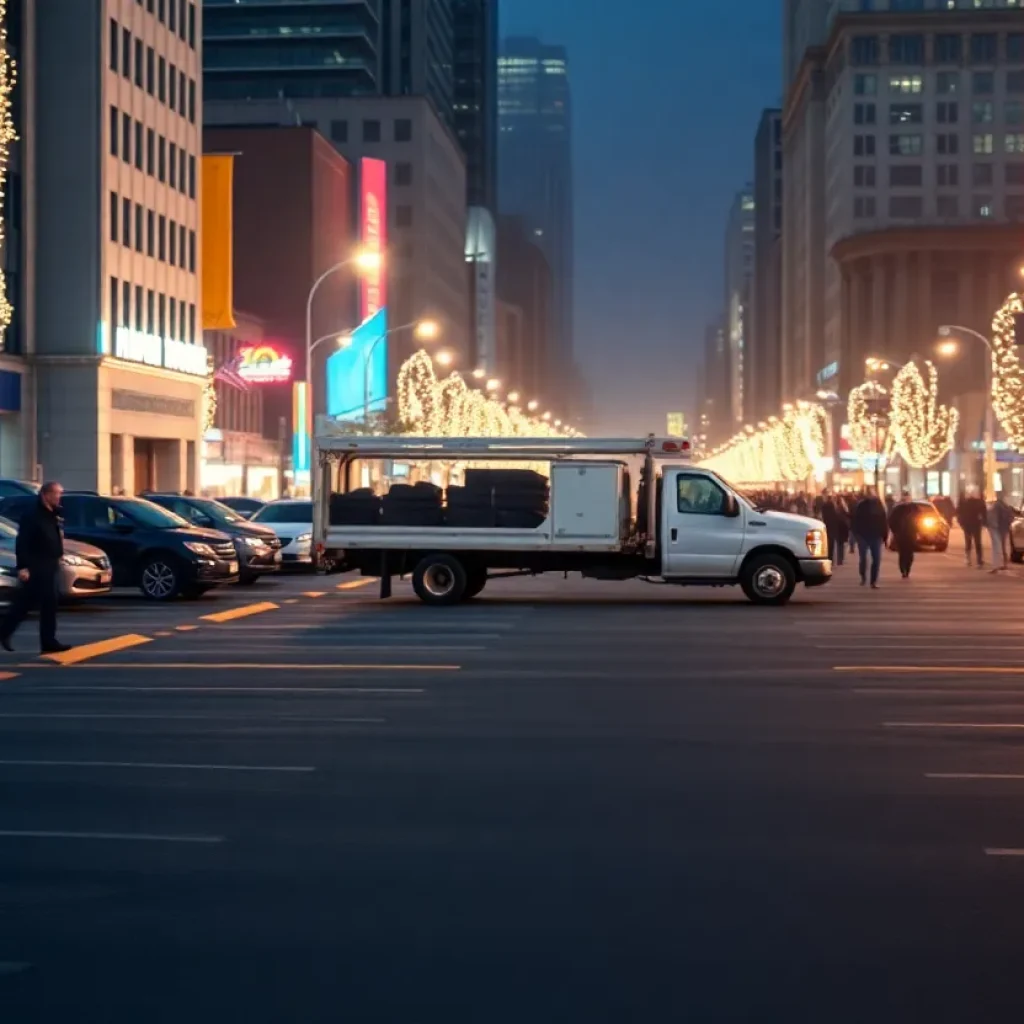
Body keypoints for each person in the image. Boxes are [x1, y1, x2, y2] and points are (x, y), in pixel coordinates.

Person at [0, 481, 71, 654]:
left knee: (36, 603)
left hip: (50, 564)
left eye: (60, 493)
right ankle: (47, 642)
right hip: (37, 565)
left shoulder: (52, 514)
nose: (59, 497)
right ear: (45, 495)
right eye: (56, 493)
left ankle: (44, 641)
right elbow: (22, 542)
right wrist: (23, 567)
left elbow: (56, 536)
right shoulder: (33, 515)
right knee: (35, 603)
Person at [852, 488, 889, 589]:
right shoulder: (861, 505)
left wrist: (885, 536)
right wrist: (856, 533)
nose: (870, 495)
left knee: (876, 559)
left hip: (876, 535)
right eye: (869, 493)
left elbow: (883, 521)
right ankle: (863, 576)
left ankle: (873, 581)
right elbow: (855, 520)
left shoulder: (879, 505)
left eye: (872, 493)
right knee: (863, 558)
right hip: (863, 535)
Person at [888, 491, 919, 579]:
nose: (906, 500)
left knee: (910, 553)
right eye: (905, 498)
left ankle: (908, 569)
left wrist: (917, 529)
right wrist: (895, 531)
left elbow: (919, 519)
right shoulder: (897, 509)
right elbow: (891, 521)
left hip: (911, 533)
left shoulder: (914, 507)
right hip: (900, 535)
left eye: (908, 498)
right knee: (902, 553)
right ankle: (903, 570)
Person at [956, 487, 987, 567]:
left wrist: (961, 523)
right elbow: (984, 513)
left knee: (968, 542)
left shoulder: (965, 503)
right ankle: (978, 561)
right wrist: (984, 523)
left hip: (968, 525)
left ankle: (969, 559)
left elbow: (959, 513)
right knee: (977, 542)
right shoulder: (979, 502)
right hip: (976, 524)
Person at [986, 492, 1015, 573]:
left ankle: (996, 566)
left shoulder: (996, 506)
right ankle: (1004, 564)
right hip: (1004, 529)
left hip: (998, 529)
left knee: (997, 547)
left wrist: (993, 525)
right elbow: (1011, 517)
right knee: (1003, 546)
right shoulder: (1006, 506)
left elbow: (992, 517)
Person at [821, 492, 849, 567]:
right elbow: (842, 516)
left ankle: (831, 559)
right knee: (834, 544)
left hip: (829, 526)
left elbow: (824, 516)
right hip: (835, 527)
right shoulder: (836, 507)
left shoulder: (826, 506)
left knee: (830, 544)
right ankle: (836, 559)